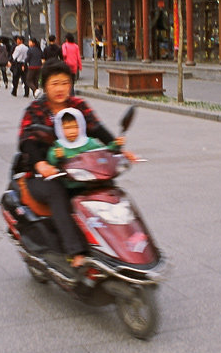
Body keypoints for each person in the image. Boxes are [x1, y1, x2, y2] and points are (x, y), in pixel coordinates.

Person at [17, 61, 135, 267]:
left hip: (79, 170)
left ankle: (119, 244)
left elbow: (97, 129)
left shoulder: (78, 105)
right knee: (57, 193)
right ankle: (75, 251)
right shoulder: (36, 109)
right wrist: (41, 165)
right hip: (45, 174)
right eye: (54, 83)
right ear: (45, 86)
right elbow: (27, 142)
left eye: (65, 82)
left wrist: (118, 150)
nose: (60, 88)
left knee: (107, 190)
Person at [47, 108, 124, 189]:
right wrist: (58, 157)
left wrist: (115, 145)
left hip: (93, 182)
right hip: (72, 187)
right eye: (67, 128)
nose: (72, 131)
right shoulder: (58, 146)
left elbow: (103, 152)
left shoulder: (90, 142)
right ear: (59, 129)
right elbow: (51, 161)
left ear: (81, 126)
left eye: (75, 126)